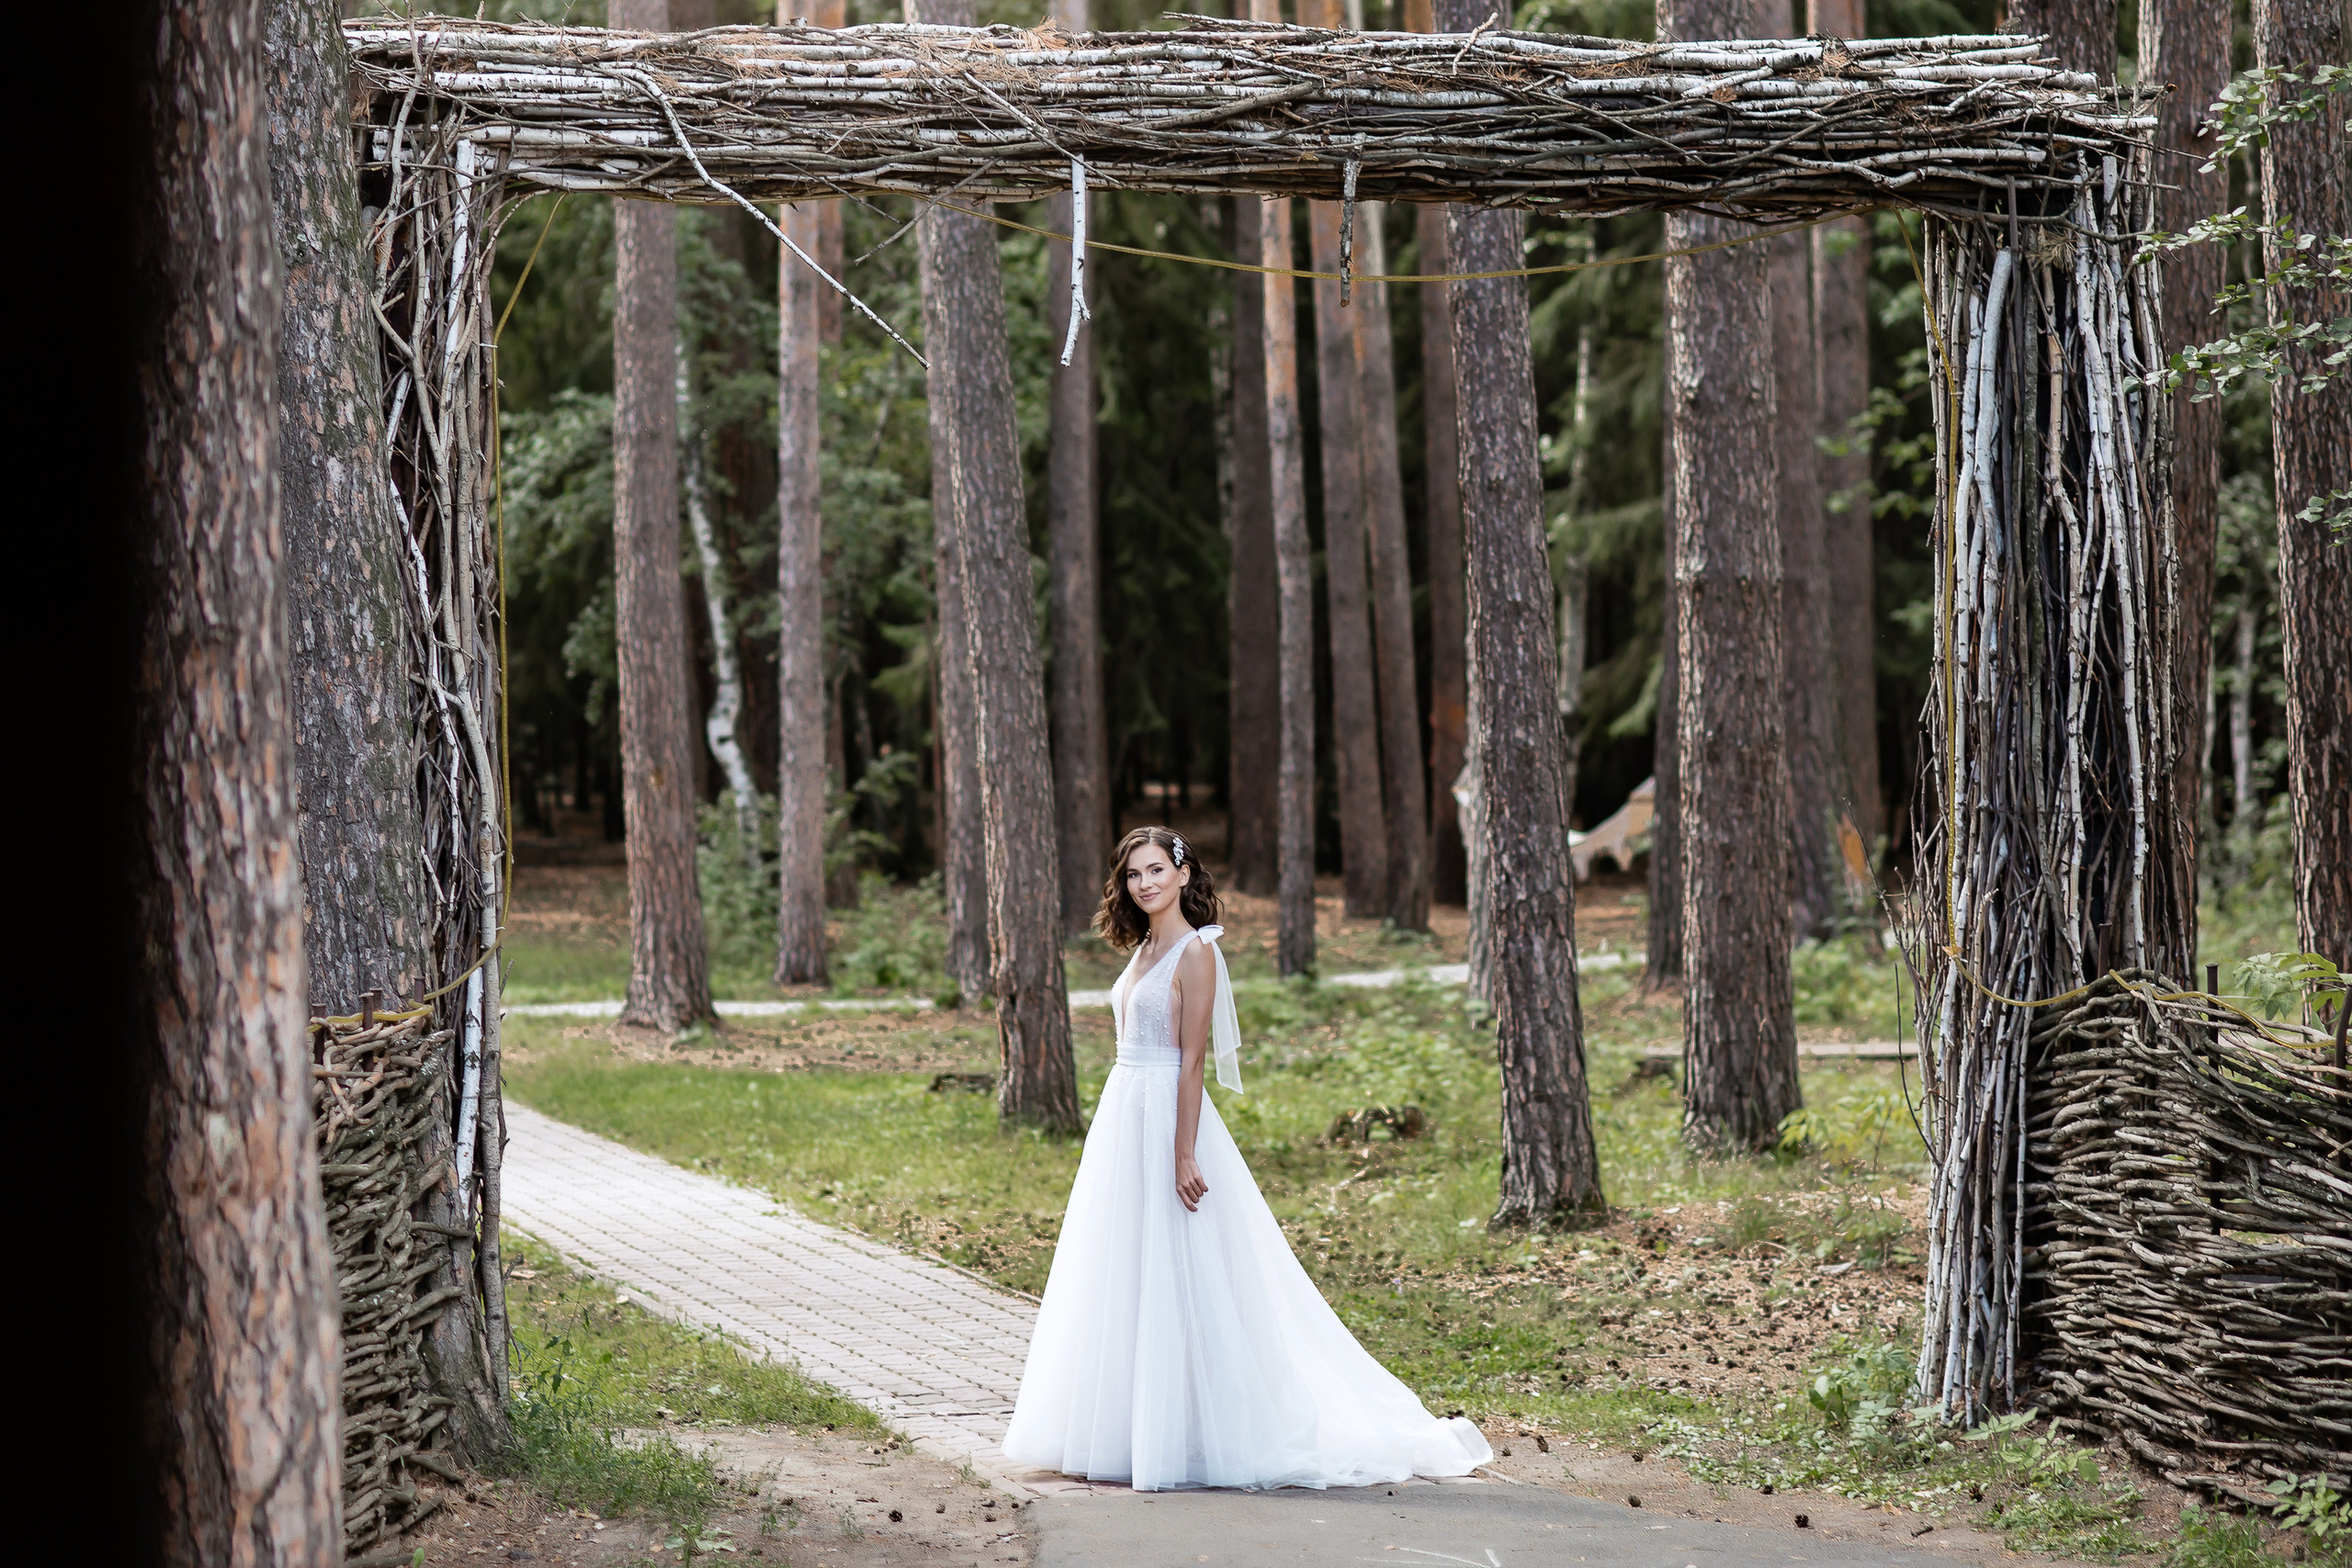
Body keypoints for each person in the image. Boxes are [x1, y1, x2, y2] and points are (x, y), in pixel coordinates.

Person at [1001, 826, 1492, 1491]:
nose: (1144, 884)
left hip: (1167, 1121)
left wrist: (1182, 1152)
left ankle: (1202, 1429)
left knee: (1184, 1270)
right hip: (1124, 1115)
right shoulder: (1145, 947)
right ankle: (1125, 1424)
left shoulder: (1197, 953)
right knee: (1122, 1268)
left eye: (1155, 871)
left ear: (1181, 875)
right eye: (1133, 875)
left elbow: (1192, 1059)